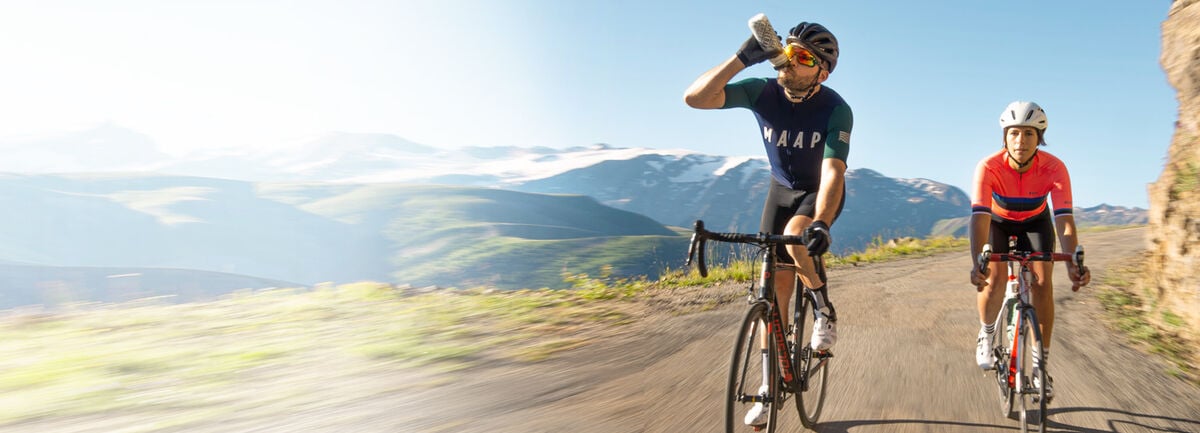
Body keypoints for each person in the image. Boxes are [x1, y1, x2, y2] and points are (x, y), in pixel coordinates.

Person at [684, 18, 851, 427]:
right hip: (779, 191)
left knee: (796, 237)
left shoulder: (835, 108)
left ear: (822, 71)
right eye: (788, 52)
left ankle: (823, 307)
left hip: (818, 193)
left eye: (803, 58)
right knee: (770, 292)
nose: (789, 63)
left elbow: (832, 173)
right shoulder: (763, 92)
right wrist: (742, 58)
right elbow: (695, 98)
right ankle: (765, 386)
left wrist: (823, 223)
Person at [968, 100, 1092, 402]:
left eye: (1028, 134)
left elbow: (1063, 219)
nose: (1020, 141)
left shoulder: (1054, 167)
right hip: (997, 221)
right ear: (1005, 137)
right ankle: (986, 332)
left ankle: (1040, 364)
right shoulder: (988, 167)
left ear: (1039, 138)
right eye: (1014, 133)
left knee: (1042, 284)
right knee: (994, 280)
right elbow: (980, 216)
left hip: (1035, 223)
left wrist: (1072, 263)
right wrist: (977, 262)